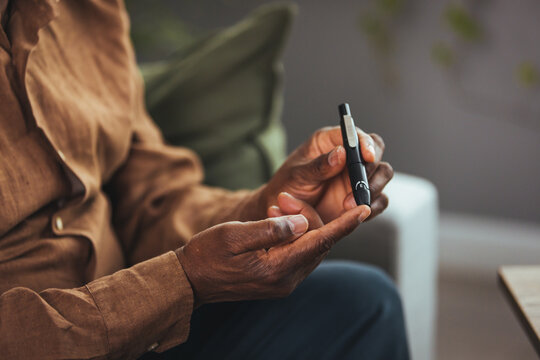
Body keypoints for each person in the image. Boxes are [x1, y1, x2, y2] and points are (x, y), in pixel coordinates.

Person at [0, 0, 408, 359]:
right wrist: (182, 281)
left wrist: (275, 202)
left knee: (367, 304)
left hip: (147, 331)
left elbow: (152, 197)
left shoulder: (89, 11)